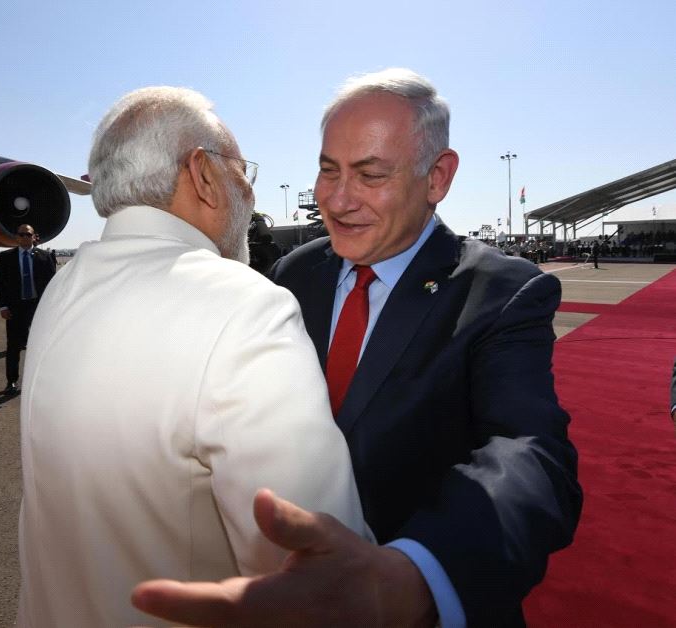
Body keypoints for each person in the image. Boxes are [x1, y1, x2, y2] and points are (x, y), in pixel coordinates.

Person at [133, 68, 582, 627]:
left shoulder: (502, 291)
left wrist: (412, 574)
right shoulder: (294, 273)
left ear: (437, 178)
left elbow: (530, 452)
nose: (338, 200)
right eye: (328, 170)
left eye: (370, 175)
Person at [15, 86, 370, 628]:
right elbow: (321, 581)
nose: (248, 190)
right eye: (241, 168)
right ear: (202, 174)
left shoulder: (64, 289)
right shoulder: (246, 306)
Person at [0, 223, 56, 395]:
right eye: (21, 235)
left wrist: (51, 307)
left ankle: (40, 380)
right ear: (16, 237)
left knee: (39, 345)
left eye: (28, 234)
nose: (25, 237)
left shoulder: (45, 257)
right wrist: (3, 306)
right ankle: (12, 381)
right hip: (15, 308)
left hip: (38, 308)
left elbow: (53, 284)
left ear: (34, 236)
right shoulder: (6, 257)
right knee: (13, 346)